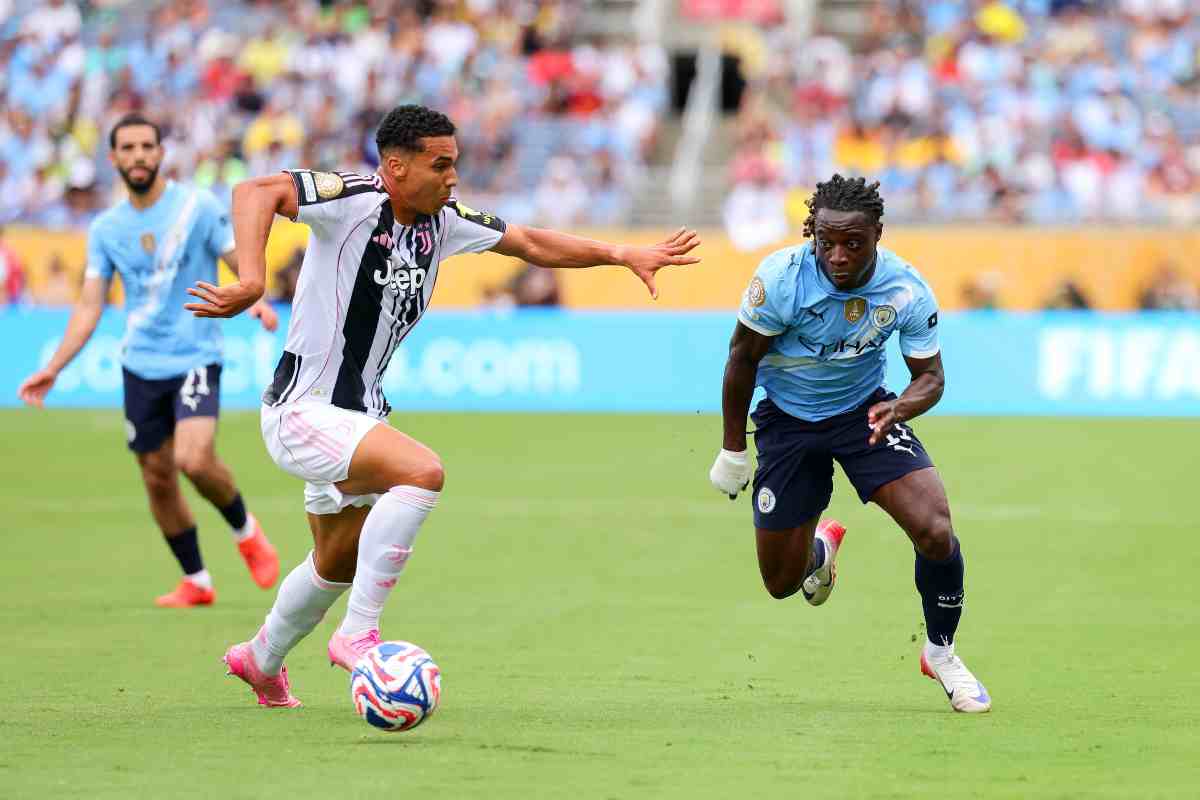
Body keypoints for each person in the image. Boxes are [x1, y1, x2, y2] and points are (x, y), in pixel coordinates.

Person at [184, 104, 700, 708]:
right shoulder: (351, 198)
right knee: (422, 473)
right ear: (396, 167)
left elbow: (530, 241)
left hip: (359, 415)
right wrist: (251, 280)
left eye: (456, 163)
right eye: (441, 164)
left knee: (335, 561)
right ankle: (357, 634)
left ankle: (260, 660)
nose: (453, 177)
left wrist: (619, 255)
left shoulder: (444, 222)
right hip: (304, 408)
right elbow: (255, 190)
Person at [708, 175, 990, 713]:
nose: (838, 256)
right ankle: (821, 549)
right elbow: (741, 360)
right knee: (782, 584)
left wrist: (899, 407)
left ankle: (941, 652)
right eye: (827, 242)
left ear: (877, 234)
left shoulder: (905, 288)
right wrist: (733, 450)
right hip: (786, 423)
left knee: (935, 529)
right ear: (811, 232)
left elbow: (931, 377)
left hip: (866, 415)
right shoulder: (780, 279)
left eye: (853, 244)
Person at [18, 113, 282, 608]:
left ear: (160, 154)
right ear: (113, 158)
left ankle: (246, 533)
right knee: (157, 476)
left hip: (196, 355)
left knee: (194, 459)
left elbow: (235, 258)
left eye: (147, 146)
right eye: (128, 148)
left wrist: (256, 300)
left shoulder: (196, 207)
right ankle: (197, 581)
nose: (139, 155)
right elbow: (91, 305)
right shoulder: (105, 229)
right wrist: (55, 366)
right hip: (141, 363)